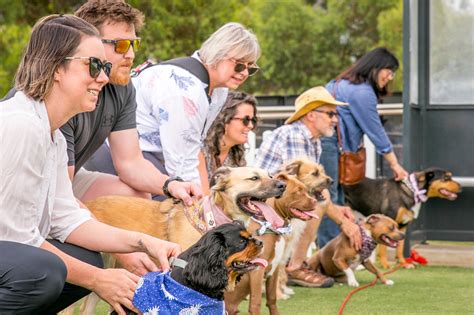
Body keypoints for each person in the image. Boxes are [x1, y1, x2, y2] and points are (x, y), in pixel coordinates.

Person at [0, 14, 180, 314]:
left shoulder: (52, 134)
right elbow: (14, 237)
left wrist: (143, 242)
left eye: (105, 67)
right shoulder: (22, 125)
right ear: (56, 67)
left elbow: (65, 218)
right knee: (42, 271)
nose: (104, 77)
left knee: (84, 257)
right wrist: (99, 280)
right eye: (94, 65)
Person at [254, 86, 362, 287]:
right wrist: (343, 223)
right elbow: (306, 191)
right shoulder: (295, 135)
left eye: (335, 115)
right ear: (311, 115)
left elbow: (309, 188)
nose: (335, 120)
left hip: (275, 202)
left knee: (320, 201)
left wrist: (338, 211)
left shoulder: (313, 141)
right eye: (330, 114)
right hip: (263, 203)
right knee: (316, 203)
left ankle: (292, 265)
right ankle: (295, 267)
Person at [316, 47, 409, 249]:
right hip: (331, 146)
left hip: (325, 144)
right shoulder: (362, 92)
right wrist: (395, 164)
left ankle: (334, 254)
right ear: (376, 68)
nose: (390, 77)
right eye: (389, 71)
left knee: (333, 197)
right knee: (329, 199)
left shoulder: (339, 83)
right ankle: (328, 256)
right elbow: (375, 131)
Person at [198, 91, 259, 193]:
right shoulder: (199, 150)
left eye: (253, 120)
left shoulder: (235, 154)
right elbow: (203, 197)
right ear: (224, 120)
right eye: (245, 120)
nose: (251, 126)